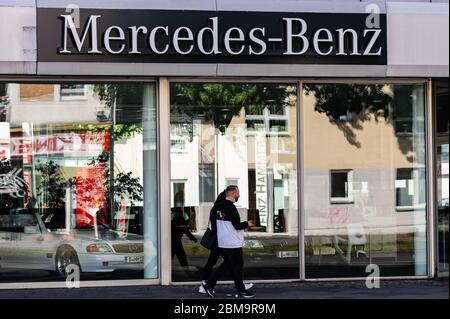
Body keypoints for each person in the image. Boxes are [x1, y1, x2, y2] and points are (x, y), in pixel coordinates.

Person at [202, 185, 255, 298]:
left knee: (232, 265)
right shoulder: (230, 207)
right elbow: (236, 225)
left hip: (223, 241)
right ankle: (210, 284)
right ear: (233, 194)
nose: (238, 195)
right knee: (233, 265)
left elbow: (217, 225)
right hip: (232, 242)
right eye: (238, 193)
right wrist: (247, 224)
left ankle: (240, 289)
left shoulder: (217, 207)